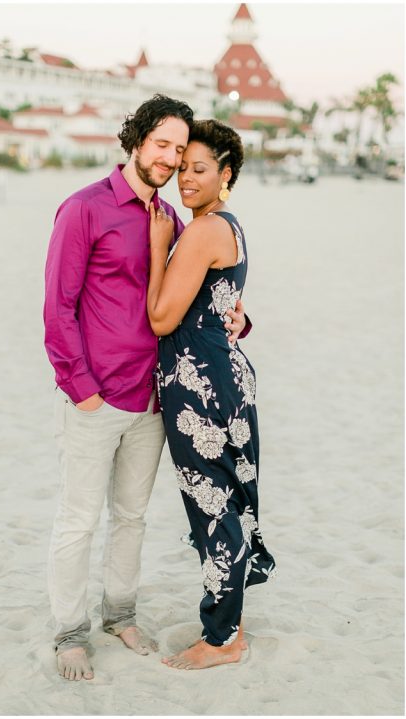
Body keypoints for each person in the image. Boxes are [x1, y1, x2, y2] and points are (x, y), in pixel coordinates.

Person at [43, 94, 249, 682]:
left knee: (131, 517)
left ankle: (120, 615)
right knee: (79, 520)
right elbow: (58, 308)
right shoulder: (83, 209)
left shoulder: (172, 220)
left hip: (155, 399)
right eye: (163, 145)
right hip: (95, 397)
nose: (171, 159)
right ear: (136, 141)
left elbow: (199, 292)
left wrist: (242, 317)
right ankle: (69, 633)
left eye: (181, 151)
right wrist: (80, 387)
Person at [147, 119, 275, 670]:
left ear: (226, 175)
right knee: (228, 497)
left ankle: (221, 640)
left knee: (212, 503)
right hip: (225, 374)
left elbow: (160, 318)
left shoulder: (199, 232)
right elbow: (220, 304)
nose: (186, 180)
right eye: (182, 170)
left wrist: (159, 248)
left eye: (199, 170)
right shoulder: (231, 227)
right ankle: (233, 625)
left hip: (198, 382)